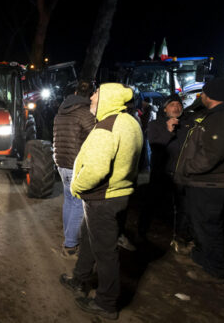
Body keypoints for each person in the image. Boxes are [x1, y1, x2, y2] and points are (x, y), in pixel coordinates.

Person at [59, 83, 142, 320]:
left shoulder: (106, 128)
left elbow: (96, 169)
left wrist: (76, 186)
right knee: (88, 238)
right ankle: (80, 278)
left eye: (96, 94)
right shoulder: (130, 122)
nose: (92, 98)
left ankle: (106, 304)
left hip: (102, 198)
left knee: (105, 253)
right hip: (118, 194)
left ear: (109, 98)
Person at [174, 78, 224, 284]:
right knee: (202, 223)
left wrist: (188, 168)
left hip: (210, 182)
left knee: (208, 225)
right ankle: (203, 256)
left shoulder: (222, 118)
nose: (201, 96)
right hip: (207, 181)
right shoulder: (216, 116)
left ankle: (215, 268)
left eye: (203, 93)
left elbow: (213, 154)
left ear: (210, 96)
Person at [140, 94, 192, 253]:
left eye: (179, 105)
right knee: (150, 203)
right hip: (161, 172)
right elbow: (155, 145)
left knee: (182, 207)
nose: (176, 108)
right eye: (172, 105)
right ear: (165, 108)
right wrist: (168, 131)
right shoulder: (156, 124)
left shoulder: (187, 124)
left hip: (181, 173)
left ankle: (179, 237)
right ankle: (141, 233)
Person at [52, 81, 96, 259]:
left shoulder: (61, 112)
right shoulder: (85, 114)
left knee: (69, 201)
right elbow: (96, 135)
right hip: (76, 164)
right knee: (78, 203)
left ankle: (68, 237)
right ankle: (70, 245)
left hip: (61, 163)